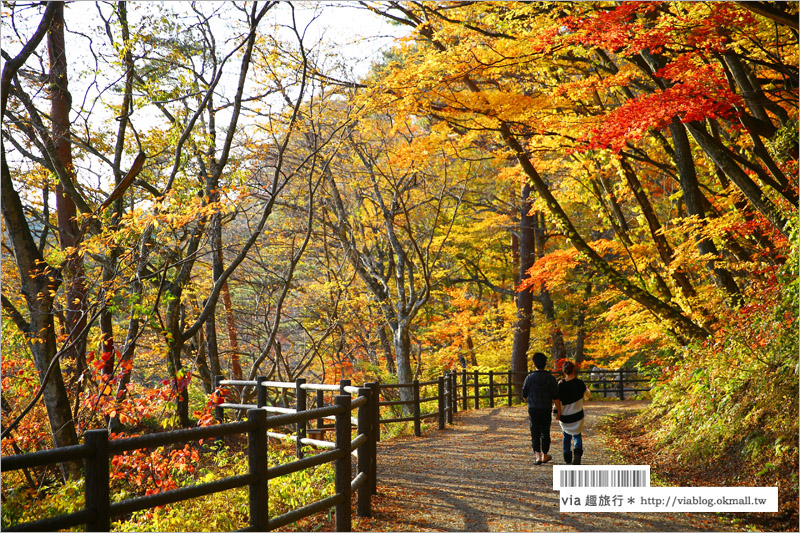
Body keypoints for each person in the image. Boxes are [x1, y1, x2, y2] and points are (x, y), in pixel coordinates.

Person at [522, 352, 561, 465]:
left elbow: (524, 393)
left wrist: (528, 401)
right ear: (545, 363)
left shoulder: (530, 377)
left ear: (534, 364)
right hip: (545, 408)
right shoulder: (551, 378)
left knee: (534, 431)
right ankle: (545, 454)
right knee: (545, 430)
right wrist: (559, 411)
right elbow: (556, 396)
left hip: (533, 408)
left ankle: (537, 456)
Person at [558, 360, 591, 465]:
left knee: (566, 435)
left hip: (565, 417)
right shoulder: (579, 383)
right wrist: (587, 389)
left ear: (564, 371)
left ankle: (567, 457)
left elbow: (557, 401)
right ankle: (577, 455)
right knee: (577, 435)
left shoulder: (560, 385)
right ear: (573, 370)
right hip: (577, 415)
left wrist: (556, 413)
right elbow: (587, 396)